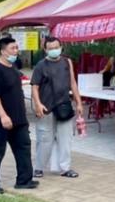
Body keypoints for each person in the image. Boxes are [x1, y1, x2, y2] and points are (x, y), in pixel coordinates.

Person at [0, 36, 37, 194]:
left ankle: (24, 180)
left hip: (18, 119)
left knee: (23, 148)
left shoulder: (13, 68)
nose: (16, 51)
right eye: (12, 48)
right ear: (2, 51)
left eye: (16, 48)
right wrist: (3, 116)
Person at [31, 36, 84, 179]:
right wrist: (38, 104)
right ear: (45, 50)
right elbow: (34, 87)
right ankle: (39, 167)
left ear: (61, 47)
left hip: (64, 106)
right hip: (46, 107)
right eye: (51, 48)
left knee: (65, 139)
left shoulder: (67, 62)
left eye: (56, 47)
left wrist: (78, 102)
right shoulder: (40, 66)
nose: (54, 50)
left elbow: (73, 83)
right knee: (45, 139)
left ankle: (64, 168)